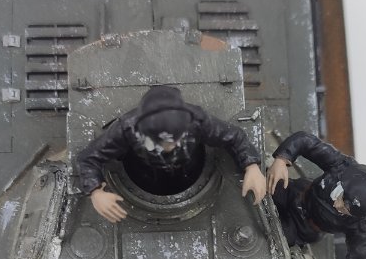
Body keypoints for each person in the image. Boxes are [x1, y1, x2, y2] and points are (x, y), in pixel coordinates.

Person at [75, 84, 266, 221]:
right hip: (144, 171)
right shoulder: (128, 128)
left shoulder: (196, 121)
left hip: (188, 167)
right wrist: (95, 191)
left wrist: (251, 166)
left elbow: (234, 136)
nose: (170, 146)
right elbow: (89, 158)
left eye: (175, 139)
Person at [266, 131, 366, 259]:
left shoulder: (359, 225)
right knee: (263, 182)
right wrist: (282, 159)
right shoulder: (341, 166)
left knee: (272, 238)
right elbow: (305, 141)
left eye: (345, 210)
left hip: (302, 228)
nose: (337, 205)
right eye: (340, 196)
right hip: (294, 193)